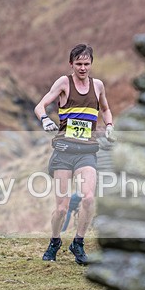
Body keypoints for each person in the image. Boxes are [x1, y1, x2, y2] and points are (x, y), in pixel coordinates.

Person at [34, 44, 115, 264]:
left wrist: (109, 126)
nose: (83, 68)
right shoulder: (64, 82)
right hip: (63, 152)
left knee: (88, 198)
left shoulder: (98, 86)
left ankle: (78, 243)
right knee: (62, 208)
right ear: (71, 64)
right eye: (78, 64)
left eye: (86, 64)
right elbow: (40, 106)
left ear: (91, 64)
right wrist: (45, 119)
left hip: (87, 151)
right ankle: (54, 241)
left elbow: (105, 109)